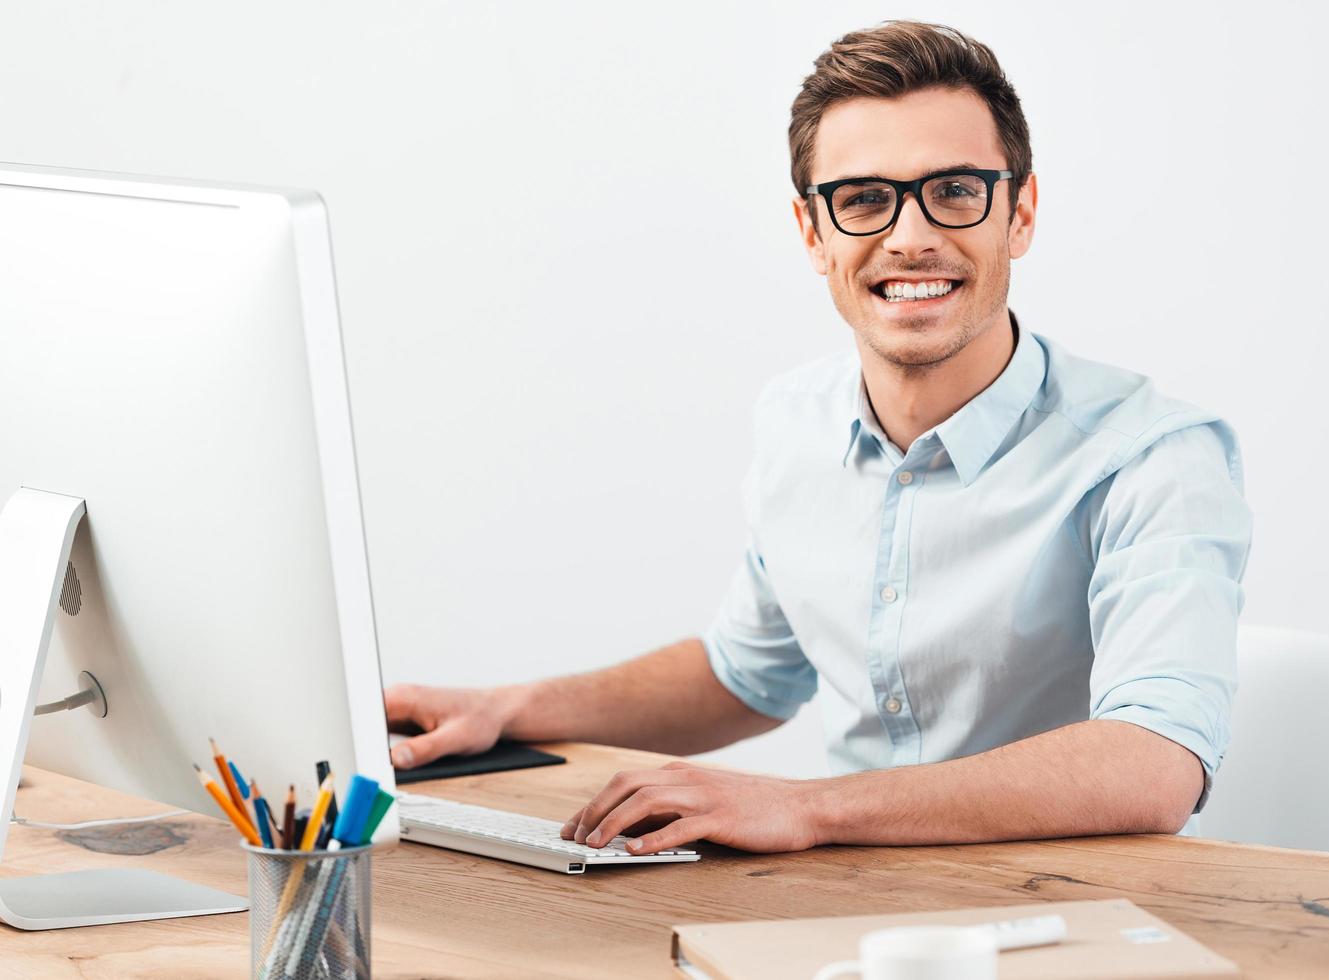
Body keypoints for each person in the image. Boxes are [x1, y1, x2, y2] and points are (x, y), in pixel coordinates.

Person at [385, 20, 1253, 856]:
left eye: (953, 191)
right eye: (865, 200)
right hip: (847, 910)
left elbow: (1153, 764)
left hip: (1079, 921)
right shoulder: (796, 422)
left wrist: (805, 808)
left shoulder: (1152, 455)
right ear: (813, 232)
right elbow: (744, 678)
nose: (910, 238)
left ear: (1018, 213)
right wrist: (506, 709)